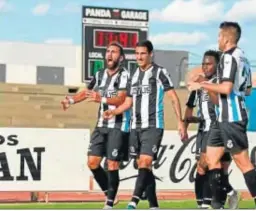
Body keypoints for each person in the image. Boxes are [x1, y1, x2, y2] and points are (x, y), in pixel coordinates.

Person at [103, 40, 186, 209]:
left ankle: (133, 201)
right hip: (135, 127)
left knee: (145, 163)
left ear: (150, 54)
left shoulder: (159, 72)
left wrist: (180, 122)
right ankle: (154, 205)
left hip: (153, 125)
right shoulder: (133, 75)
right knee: (144, 167)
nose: (139, 57)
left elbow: (173, 97)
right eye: (137, 54)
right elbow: (128, 103)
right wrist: (114, 111)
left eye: (143, 53)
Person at [188, 21, 255, 209]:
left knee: (244, 164)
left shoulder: (228, 57)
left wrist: (202, 84)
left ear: (226, 38)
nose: (217, 39)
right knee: (210, 160)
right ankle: (220, 203)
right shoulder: (244, 58)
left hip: (232, 118)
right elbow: (248, 90)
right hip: (222, 119)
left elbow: (225, 88)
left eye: (219, 36)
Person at [61, 41, 130, 209]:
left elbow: (121, 98)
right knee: (92, 162)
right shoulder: (99, 74)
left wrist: (102, 99)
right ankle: (110, 193)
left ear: (120, 57)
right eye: (108, 51)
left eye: (114, 52)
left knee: (112, 164)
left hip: (118, 125)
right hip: (101, 125)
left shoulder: (124, 75)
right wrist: (71, 100)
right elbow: (86, 92)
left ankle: (109, 204)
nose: (109, 54)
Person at [185, 50, 238, 209]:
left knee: (214, 165)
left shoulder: (221, 83)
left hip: (220, 130)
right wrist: (185, 124)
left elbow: (218, 104)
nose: (205, 67)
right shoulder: (198, 84)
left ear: (217, 65)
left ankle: (213, 202)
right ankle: (211, 199)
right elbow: (189, 106)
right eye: (203, 64)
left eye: (209, 64)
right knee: (202, 167)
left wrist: (204, 85)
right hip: (203, 129)